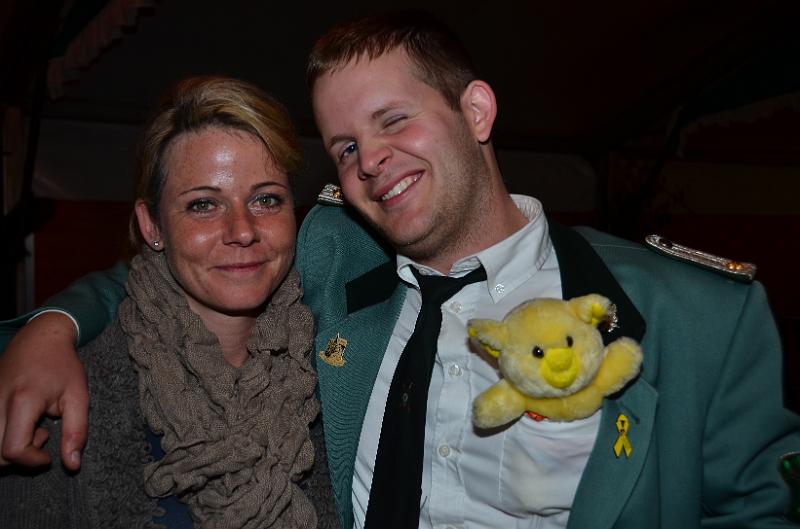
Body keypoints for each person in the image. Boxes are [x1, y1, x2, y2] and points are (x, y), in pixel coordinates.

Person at [1, 11, 799, 529]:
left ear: (476, 111)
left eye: (394, 121)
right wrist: (51, 325)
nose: (371, 159)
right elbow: (188, 270)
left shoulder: (696, 315)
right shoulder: (335, 267)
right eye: (345, 146)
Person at [0, 76, 338, 529]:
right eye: (203, 205)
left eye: (266, 199)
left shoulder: (338, 370)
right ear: (152, 225)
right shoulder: (67, 394)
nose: (242, 231)